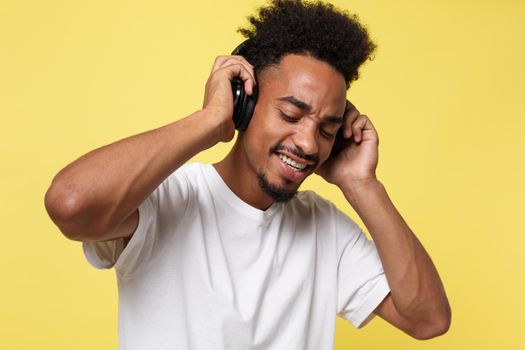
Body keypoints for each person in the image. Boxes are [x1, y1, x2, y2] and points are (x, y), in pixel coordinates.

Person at [45, 0, 451, 348]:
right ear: (246, 100)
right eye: (291, 114)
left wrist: (362, 185)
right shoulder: (167, 200)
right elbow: (70, 204)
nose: (309, 144)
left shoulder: (324, 230)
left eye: (327, 129)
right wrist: (210, 122)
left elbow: (428, 319)